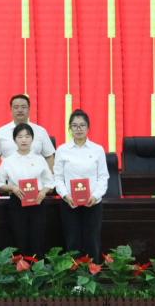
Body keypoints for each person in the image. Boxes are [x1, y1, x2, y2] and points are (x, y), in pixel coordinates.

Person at [54, 109, 109, 262]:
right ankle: (74, 274)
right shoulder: (62, 150)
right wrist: (65, 195)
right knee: (73, 242)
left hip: (93, 203)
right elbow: (57, 177)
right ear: (70, 128)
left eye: (82, 125)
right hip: (69, 204)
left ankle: (93, 274)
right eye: (75, 125)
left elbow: (103, 177)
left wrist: (95, 196)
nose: (78, 129)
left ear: (88, 127)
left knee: (92, 242)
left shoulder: (97, 150)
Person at [0, 123, 55, 258]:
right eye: (20, 137)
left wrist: (43, 192)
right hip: (17, 202)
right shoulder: (8, 161)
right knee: (19, 239)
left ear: (32, 139)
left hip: (37, 202)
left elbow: (50, 182)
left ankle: (37, 269)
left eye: (27, 136)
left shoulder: (40, 160)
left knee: (37, 240)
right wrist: (12, 188)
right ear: (14, 140)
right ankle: (21, 268)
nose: (24, 140)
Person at [0, 95, 56, 171]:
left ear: (29, 110)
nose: (20, 110)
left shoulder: (41, 131)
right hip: (9, 176)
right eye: (16, 107)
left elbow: (49, 156)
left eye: (24, 107)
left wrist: (50, 175)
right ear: (11, 110)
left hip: (35, 175)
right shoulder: (0, 132)